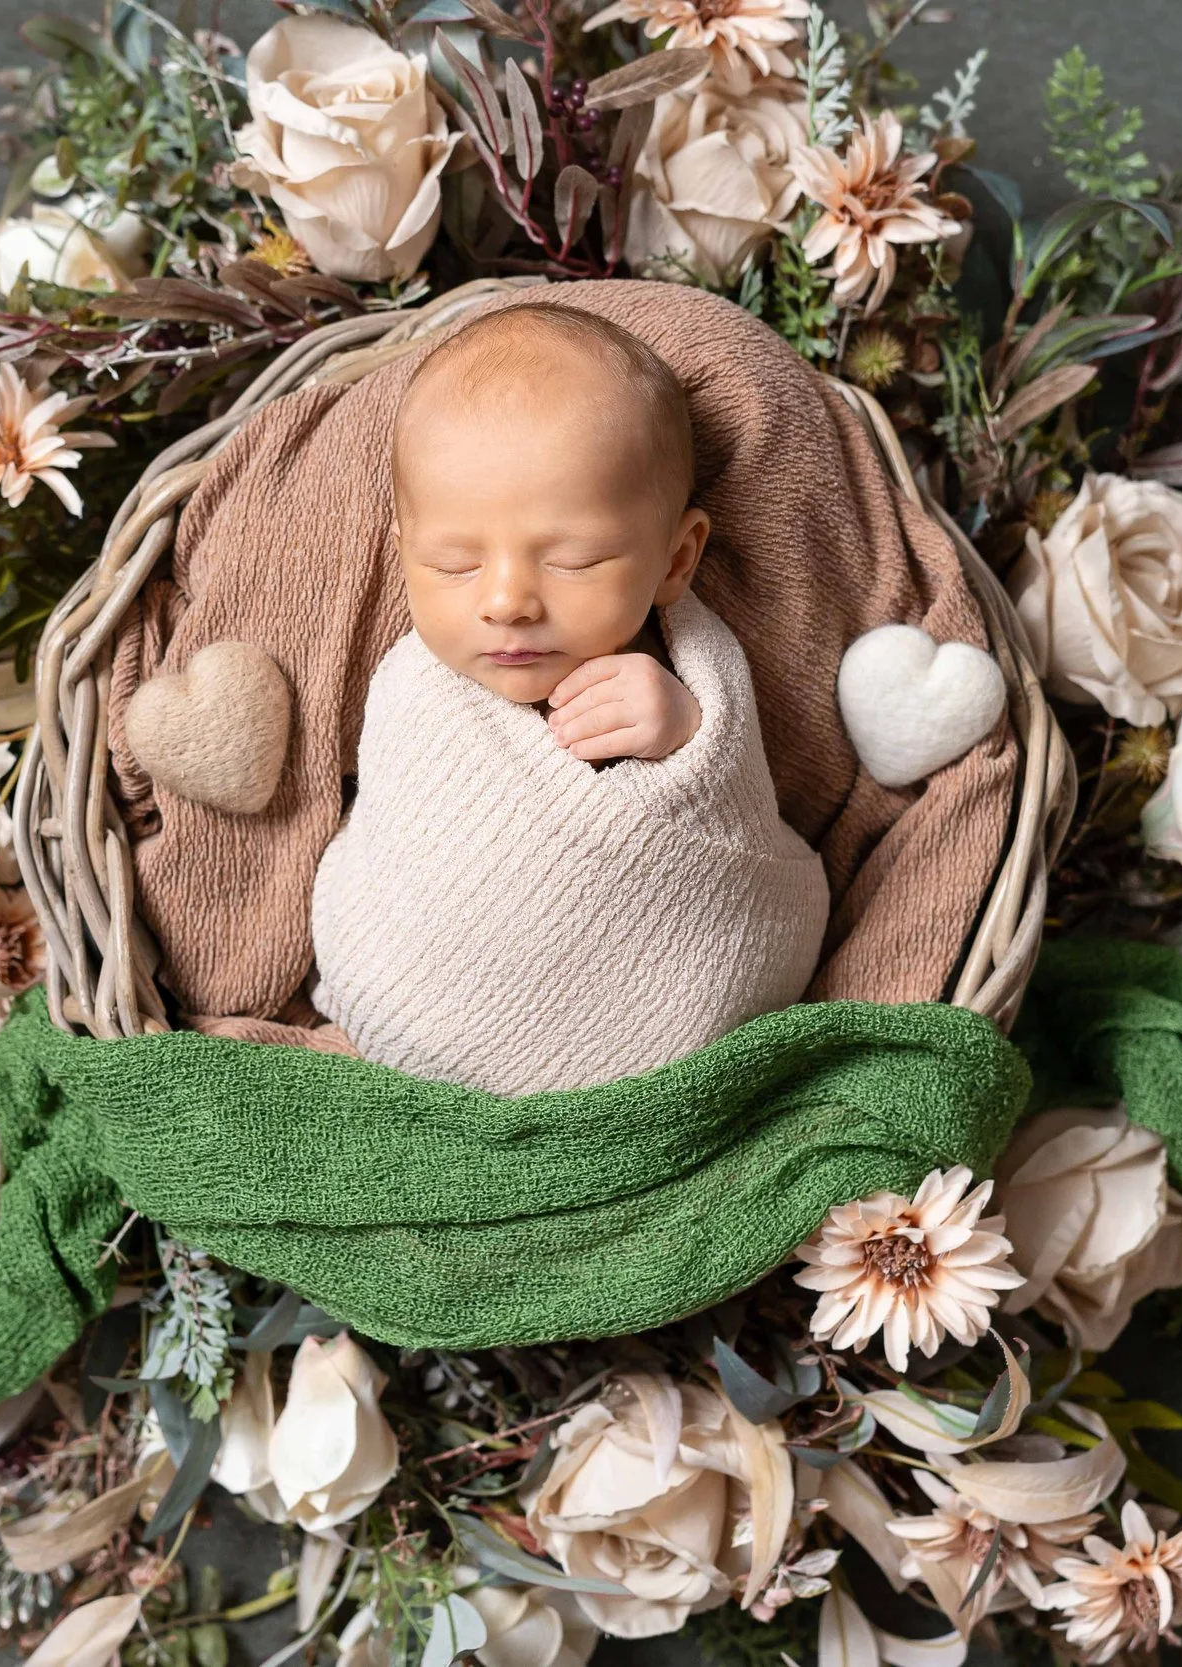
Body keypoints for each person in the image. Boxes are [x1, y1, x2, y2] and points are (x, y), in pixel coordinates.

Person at [307, 302, 831, 1094]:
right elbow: (388, 832)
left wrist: (687, 732)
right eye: (452, 563)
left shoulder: (680, 677)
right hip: (401, 1010)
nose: (508, 601)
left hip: (642, 1048)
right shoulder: (414, 688)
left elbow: (736, 834)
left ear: (676, 559)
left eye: (576, 560)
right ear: (403, 552)